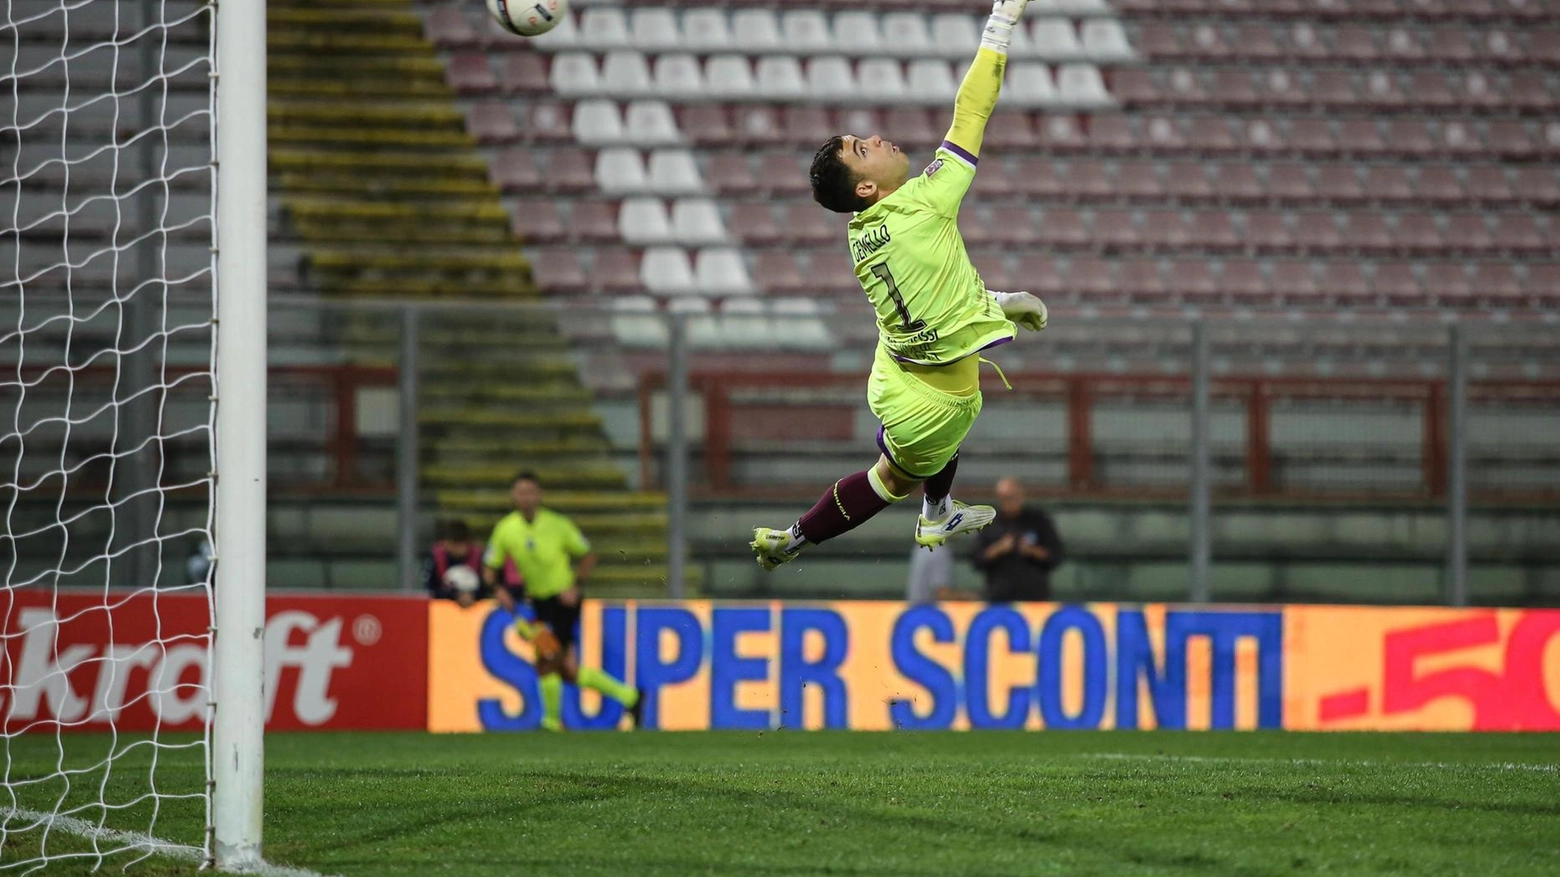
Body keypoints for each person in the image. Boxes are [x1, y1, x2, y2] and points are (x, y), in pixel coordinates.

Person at [749, 0, 1049, 570]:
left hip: (896, 363)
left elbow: (935, 285)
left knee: (912, 460)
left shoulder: (862, 231)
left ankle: (937, 507)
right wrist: (1000, 25)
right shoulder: (925, 204)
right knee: (891, 478)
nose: (878, 138)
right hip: (933, 401)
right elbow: (971, 114)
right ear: (866, 189)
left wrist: (997, 304)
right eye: (864, 149)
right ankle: (798, 538)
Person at [483, 471, 641, 731]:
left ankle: (551, 723)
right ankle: (630, 696)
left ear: (540, 495)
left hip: (563, 601)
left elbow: (588, 554)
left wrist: (576, 585)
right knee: (567, 669)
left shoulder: (557, 524)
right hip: (538, 602)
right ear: (514, 496)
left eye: (531, 492)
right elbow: (490, 567)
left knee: (547, 657)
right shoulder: (505, 529)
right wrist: (498, 589)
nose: (526, 498)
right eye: (521, 492)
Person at [971, 477, 1065, 603]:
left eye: (1013, 496)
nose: (1010, 501)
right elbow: (977, 560)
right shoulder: (989, 524)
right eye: (1005, 497)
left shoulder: (1039, 521)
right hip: (999, 597)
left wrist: (1031, 551)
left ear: (1022, 496)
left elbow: (1056, 556)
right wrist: (999, 549)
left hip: (1034, 598)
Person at [422, 519, 492, 608]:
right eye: (453, 544)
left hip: (475, 610)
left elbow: (487, 587)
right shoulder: (436, 557)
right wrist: (455, 596)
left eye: (460, 544)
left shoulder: (479, 557)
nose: (457, 548)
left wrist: (474, 595)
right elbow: (430, 588)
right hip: (442, 609)